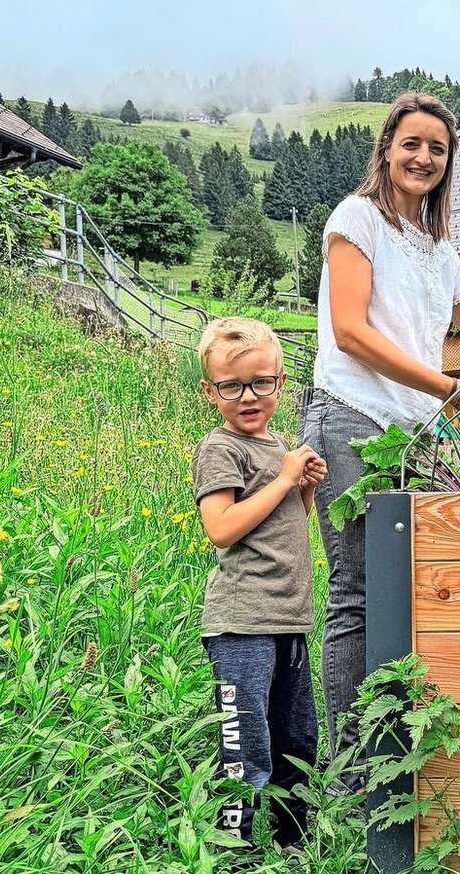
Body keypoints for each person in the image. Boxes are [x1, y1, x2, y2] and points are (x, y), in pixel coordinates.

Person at [301, 92, 460, 777]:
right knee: (357, 593)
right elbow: (350, 333)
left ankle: (406, 758)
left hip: (414, 435)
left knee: (415, 586)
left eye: (437, 148)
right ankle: (353, 777)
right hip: (351, 416)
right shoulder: (356, 219)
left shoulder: (440, 249)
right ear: (386, 150)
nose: (423, 157)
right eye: (411, 143)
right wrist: (453, 390)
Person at [191, 317, 327, 849]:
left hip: (288, 619)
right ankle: (234, 847)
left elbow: (285, 525)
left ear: (280, 382)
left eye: (261, 382)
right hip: (242, 622)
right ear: (211, 392)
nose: (248, 396)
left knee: (298, 740)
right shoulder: (220, 449)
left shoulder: (279, 448)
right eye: (232, 386)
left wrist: (303, 488)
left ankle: (295, 843)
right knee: (244, 747)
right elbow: (221, 529)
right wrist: (285, 478)